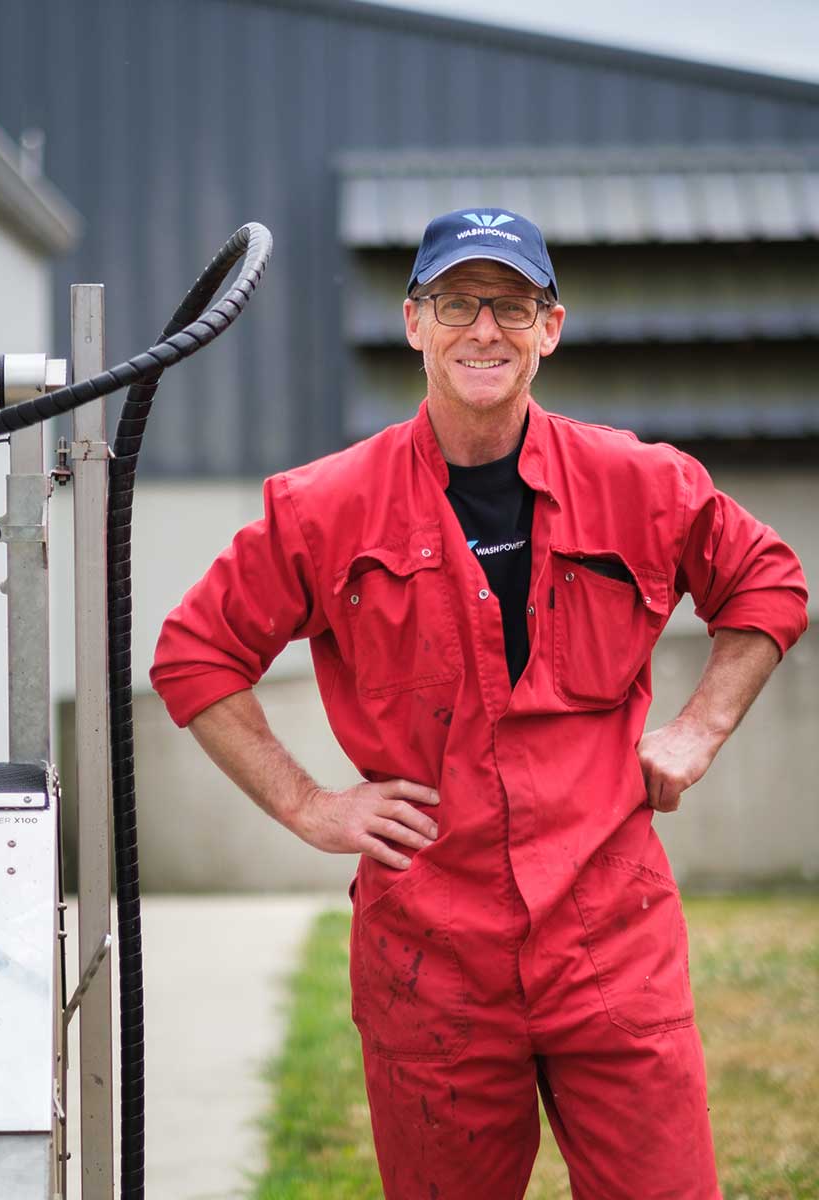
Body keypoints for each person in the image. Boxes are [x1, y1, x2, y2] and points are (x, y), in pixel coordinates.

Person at [149, 207, 808, 1199]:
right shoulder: (327, 508)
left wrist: (699, 728)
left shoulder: (641, 483)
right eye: (459, 302)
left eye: (513, 304)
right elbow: (195, 654)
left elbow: (768, 584)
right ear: (415, 323)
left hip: (611, 942)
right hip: (433, 961)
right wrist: (308, 805)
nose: (485, 329)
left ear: (552, 326)